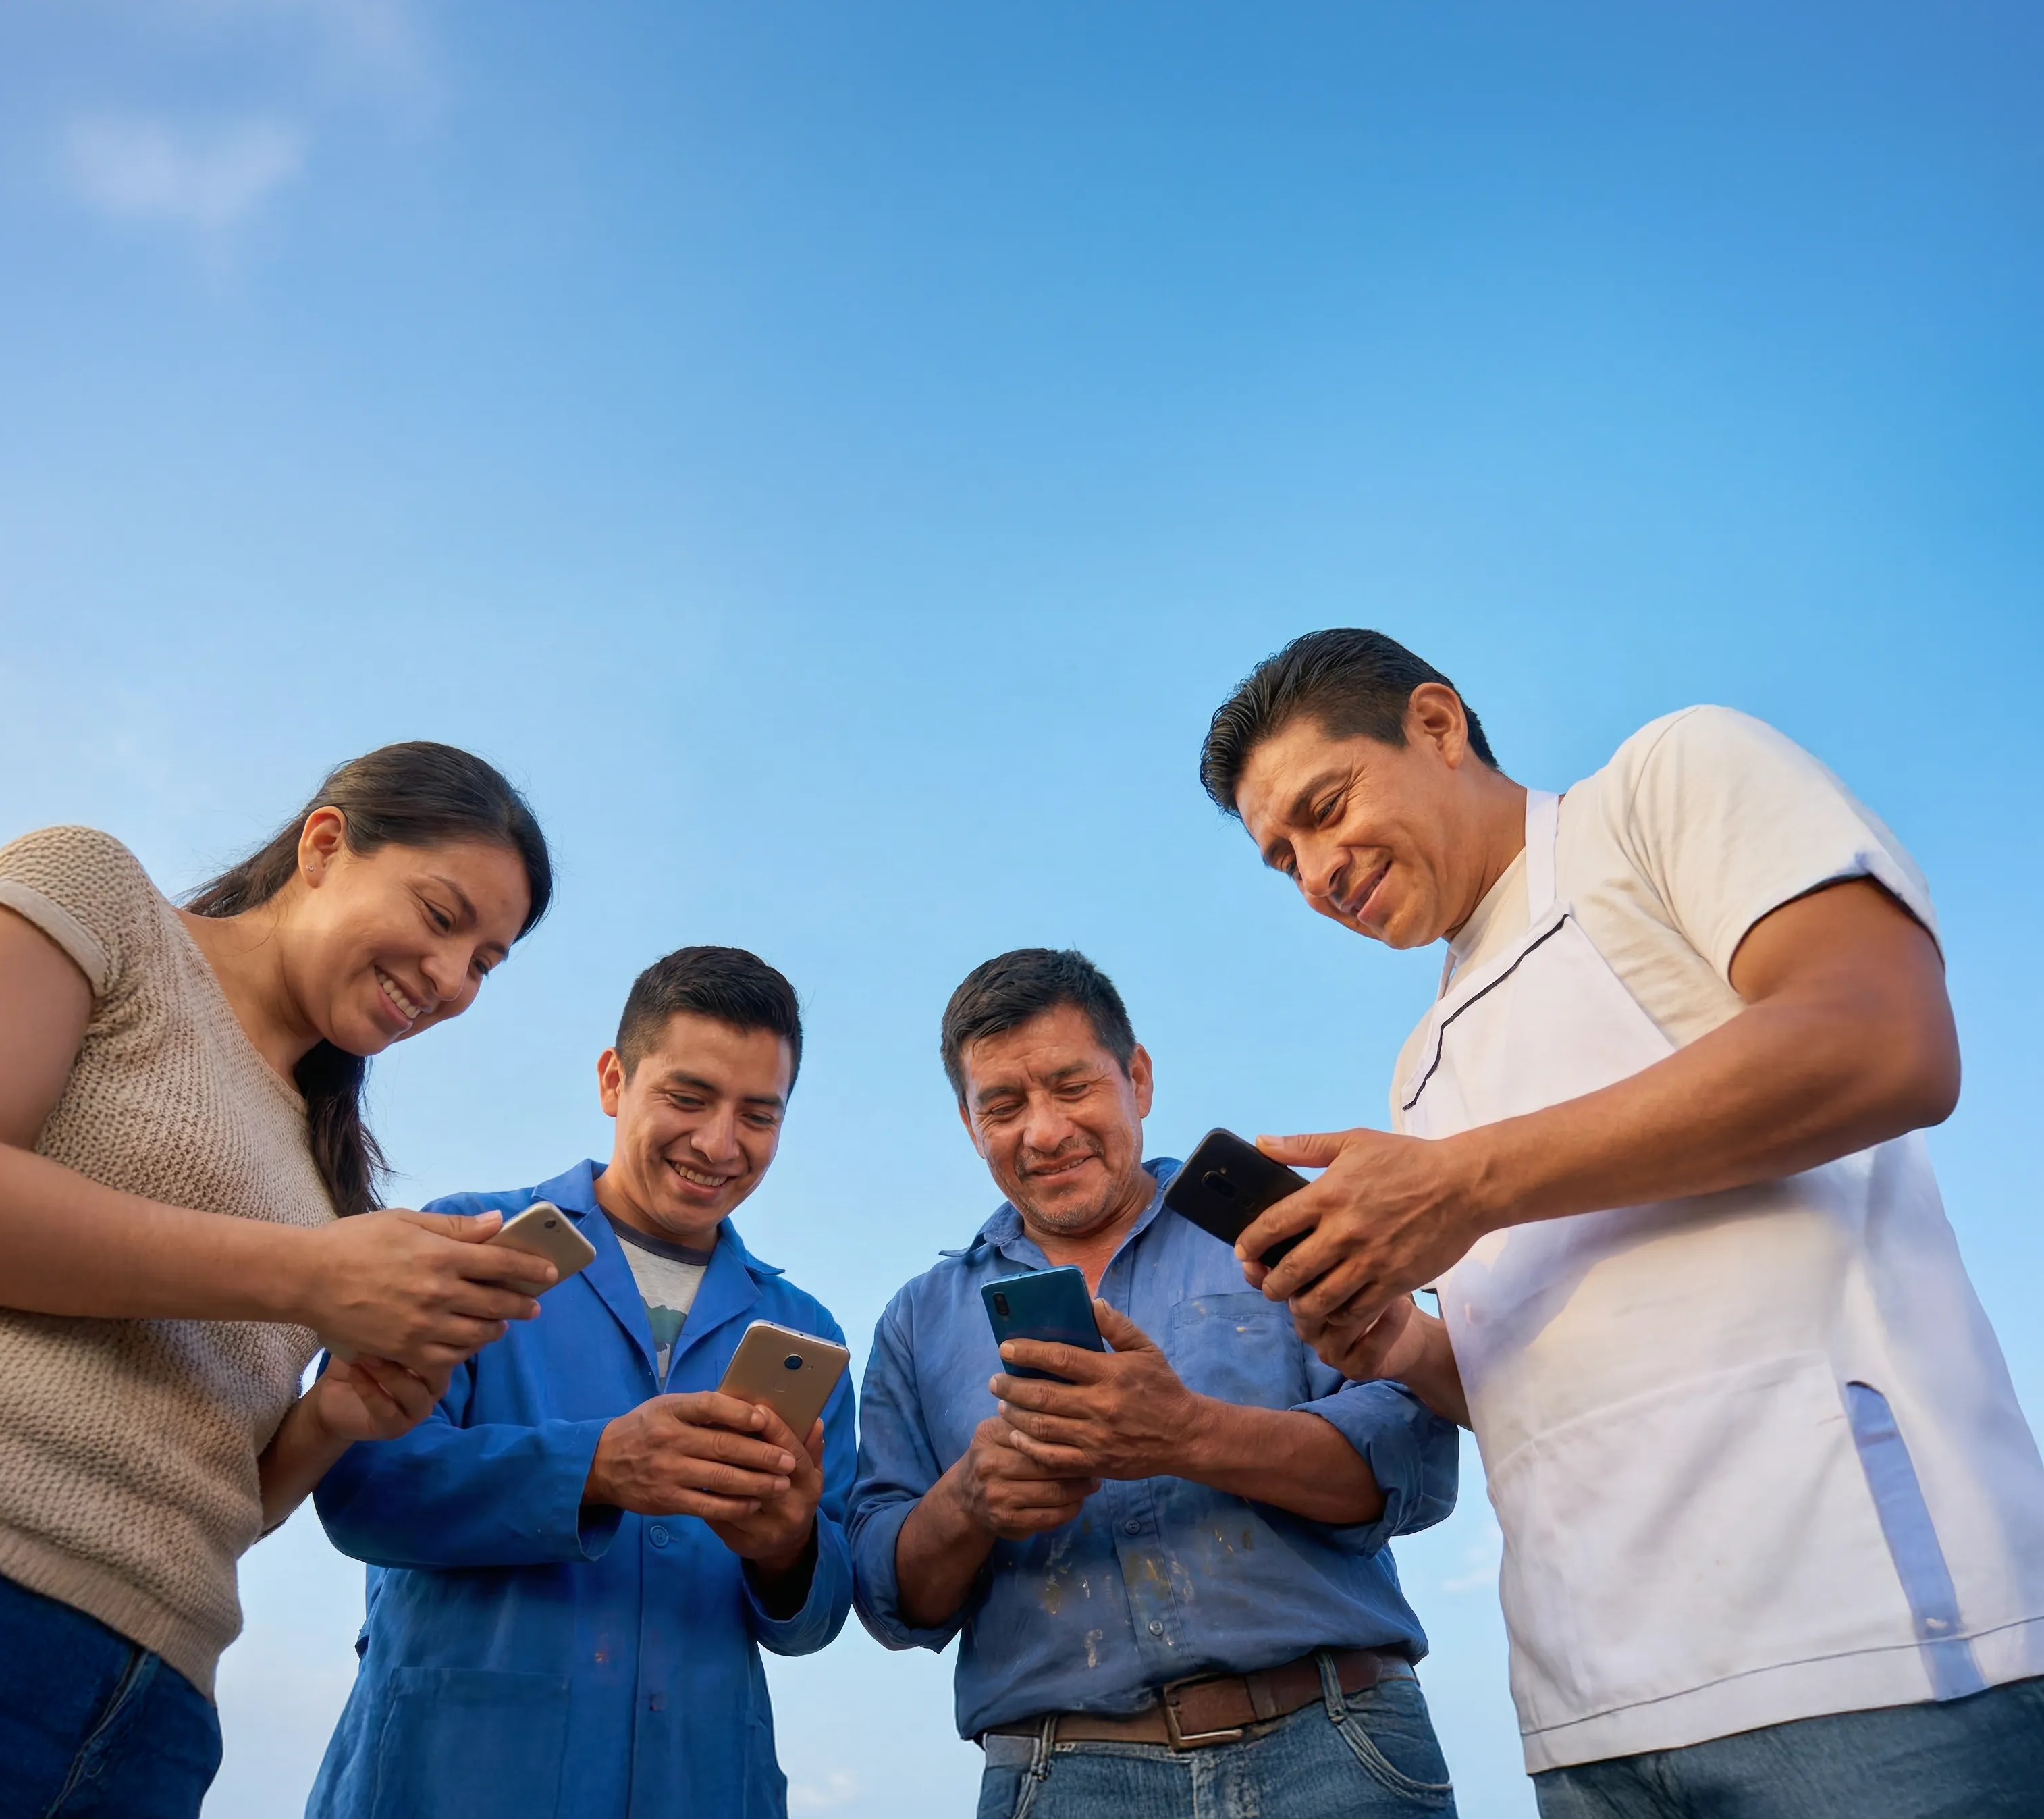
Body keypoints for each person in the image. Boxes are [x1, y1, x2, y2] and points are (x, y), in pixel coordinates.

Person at [1197, 628, 2044, 1816]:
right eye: (1282, 859)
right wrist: (1397, 1342)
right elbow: (1530, 1383)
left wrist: (1464, 1183)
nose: (1317, 871)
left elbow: (1881, 1037)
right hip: (1592, 1725)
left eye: (1326, 809)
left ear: (1436, 726)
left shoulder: (1658, 789)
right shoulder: (1417, 1068)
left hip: (1868, 1664)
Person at [0, 742, 562, 1819]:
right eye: (443, 917)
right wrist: (311, 1273)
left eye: (486, 963)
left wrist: (328, 1417)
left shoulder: (326, 1179)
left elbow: (201, 1490)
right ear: (324, 845)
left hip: (144, 1703)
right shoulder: (95, 892)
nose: (452, 981)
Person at [851, 947, 1461, 1819]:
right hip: (1059, 1779)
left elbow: (1415, 1458)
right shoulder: (915, 1321)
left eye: (1071, 1085)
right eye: (1004, 1104)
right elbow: (887, 1594)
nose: (1045, 1129)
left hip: (1334, 1744)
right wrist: (968, 1501)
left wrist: (1190, 1435)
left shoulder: (1270, 1227)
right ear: (967, 1122)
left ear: (1135, 1076)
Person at [306, 944, 855, 1819]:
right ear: (612, 1079)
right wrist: (594, 1467)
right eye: (687, 1096)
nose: (719, 1142)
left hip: (703, 1784)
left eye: (758, 1113)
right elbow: (356, 1487)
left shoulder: (807, 1333)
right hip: (454, 1777)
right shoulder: (466, 1245)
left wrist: (787, 1546)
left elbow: (818, 1614)